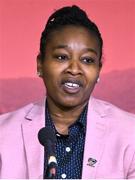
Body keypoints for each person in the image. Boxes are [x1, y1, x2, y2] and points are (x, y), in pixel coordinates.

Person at [0, 5, 135, 179]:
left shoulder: (130, 133)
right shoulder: (3, 134)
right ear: (40, 63)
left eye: (87, 60)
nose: (74, 69)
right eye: (61, 57)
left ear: (98, 70)